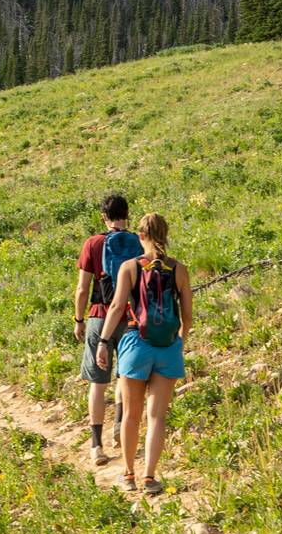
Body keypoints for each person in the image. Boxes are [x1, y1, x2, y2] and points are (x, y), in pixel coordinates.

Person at [95, 212, 192, 497]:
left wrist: (103, 341)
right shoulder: (179, 269)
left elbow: (116, 307)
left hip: (135, 342)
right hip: (167, 347)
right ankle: (150, 477)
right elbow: (187, 316)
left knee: (131, 415)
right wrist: (178, 344)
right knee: (157, 417)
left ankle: (128, 474)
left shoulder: (130, 267)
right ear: (166, 234)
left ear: (140, 237)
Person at [72, 193, 139, 467]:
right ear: (127, 215)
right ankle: (119, 431)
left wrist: (79, 320)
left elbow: (82, 289)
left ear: (103, 216)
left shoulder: (93, 243)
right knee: (124, 377)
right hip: (129, 316)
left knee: (98, 383)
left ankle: (96, 445)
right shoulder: (137, 243)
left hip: (99, 315)